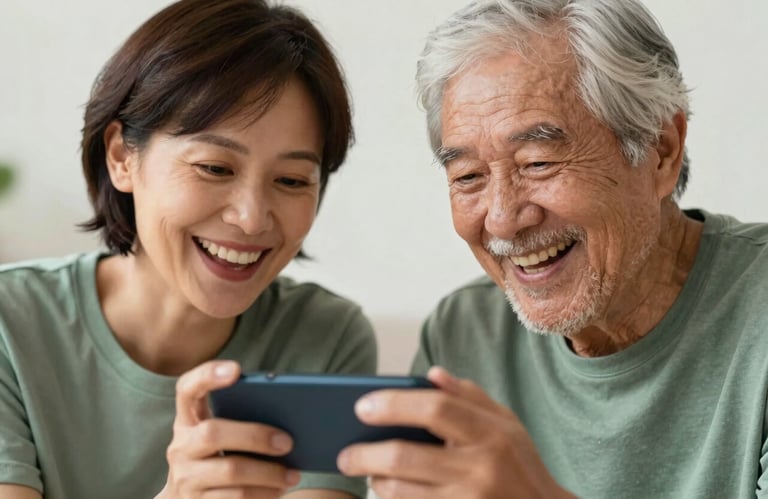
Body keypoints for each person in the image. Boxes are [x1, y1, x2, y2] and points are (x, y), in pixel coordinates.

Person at [336, 0, 768, 497]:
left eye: (538, 162)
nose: (502, 218)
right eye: (469, 176)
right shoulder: (465, 335)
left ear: (660, 151)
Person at [0, 1, 377, 498]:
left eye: (290, 180)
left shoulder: (325, 341)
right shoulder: (11, 324)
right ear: (121, 157)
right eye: (215, 168)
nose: (251, 218)